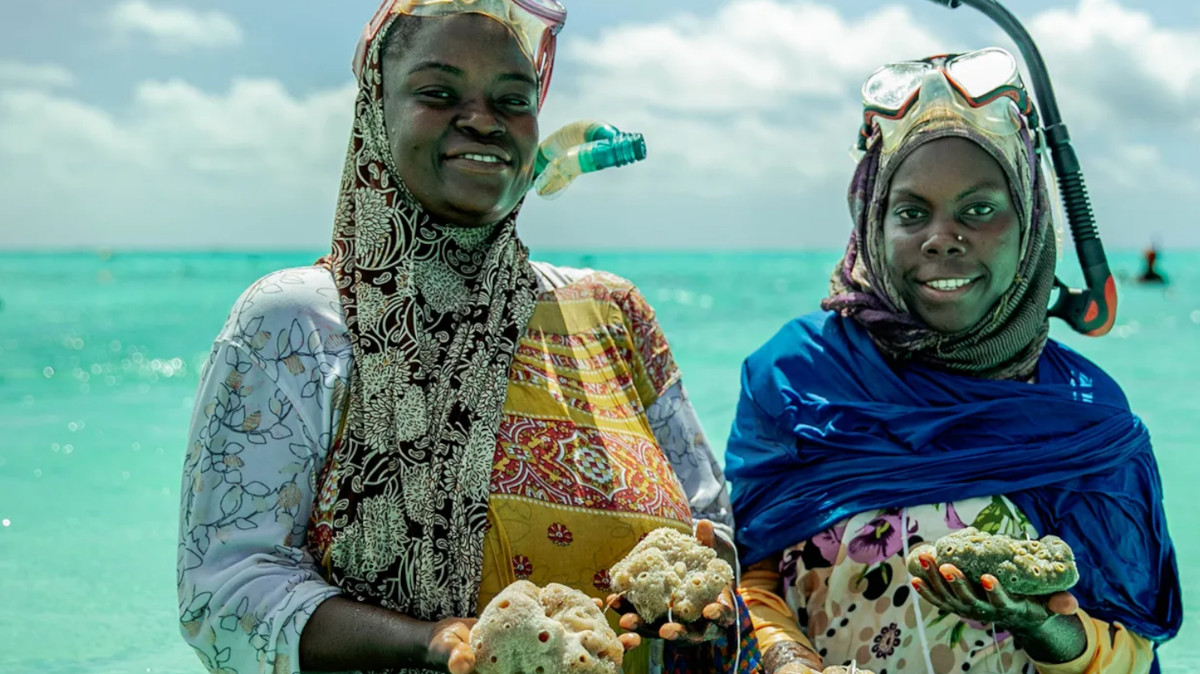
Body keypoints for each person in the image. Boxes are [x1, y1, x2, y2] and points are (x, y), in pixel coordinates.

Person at [176, 2, 741, 673]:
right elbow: (225, 595)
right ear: (376, 111)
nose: (482, 119)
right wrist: (429, 642)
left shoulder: (613, 314)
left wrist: (692, 601)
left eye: (513, 98)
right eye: (439, 94)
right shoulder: (295, 322)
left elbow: (714, 528)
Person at [725, 48, 1181, 674]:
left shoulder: (1087, 418)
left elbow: (1132, 651)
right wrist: (788, 663)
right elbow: (750, 578)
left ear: (1030, 224)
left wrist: (1046, 629)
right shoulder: (795, 376)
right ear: (872, 224)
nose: (942, 236)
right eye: (911, 213)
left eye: (980, 209)